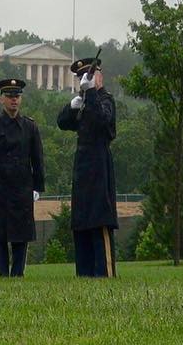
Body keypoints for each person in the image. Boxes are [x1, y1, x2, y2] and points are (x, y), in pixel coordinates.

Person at [0, 79, 45, 277]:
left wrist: (37, 186)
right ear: (1, 99)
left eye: (17, 96)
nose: (14, 100)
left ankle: (18, 273)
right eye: (10, 96)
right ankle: (2, 274)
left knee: (21, 234)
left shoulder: (30, 127)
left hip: (23, 186)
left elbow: (37, 158)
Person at [57, 58, 119, 277]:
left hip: (99, 162)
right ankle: (84, 274)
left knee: (99, 218)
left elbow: (104, 121)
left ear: (100, 76)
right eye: (82, 77)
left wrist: (91, 93)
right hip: (82, 165)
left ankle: (105, 272)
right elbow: (63, 123)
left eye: (91, 75)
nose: (86, 80)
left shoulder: (105, 100)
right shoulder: (82, 101)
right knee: (82, 219)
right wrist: (72, 106)